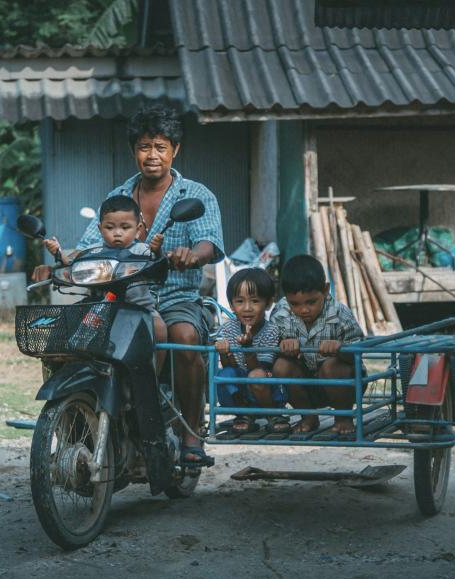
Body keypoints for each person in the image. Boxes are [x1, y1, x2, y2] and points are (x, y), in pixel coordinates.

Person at [70, 104, 223, 465]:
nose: (152, 156)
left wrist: (193, 255)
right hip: (123, 296)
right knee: (77, 338)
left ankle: (191, 434)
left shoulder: (196, 194)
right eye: (144, 147)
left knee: (184, 336)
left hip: (176, 296)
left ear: (175, 150)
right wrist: (63, 260)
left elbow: (211, 243)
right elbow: (91, 241)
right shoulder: (120, 195)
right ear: (133, 151)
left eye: (160, 147)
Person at [42, 194, 168, 369]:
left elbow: (158, 262)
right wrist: (58, 253)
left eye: (125, 227)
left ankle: (153, 374)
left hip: (139, 309)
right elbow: (72, 263)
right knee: (66, 325)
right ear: (100, 229)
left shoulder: (143, 250)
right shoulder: (94, 251)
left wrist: (157, 250)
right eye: (110, 227)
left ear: (138, 229)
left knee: (159, 328)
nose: (117, 233)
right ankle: (65, 368)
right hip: (99, 308)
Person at [270, 255, 364, 435]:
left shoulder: (340, 313)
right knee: (281, 366)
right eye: (295, 304)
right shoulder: (281, 313)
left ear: (326, 290)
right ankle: (308, 416)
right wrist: (282, 347)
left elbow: (358, 353)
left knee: (330, 366)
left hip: (343, 386)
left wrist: (340, 349)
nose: (304, 310)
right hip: (305, 387)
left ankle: (343, 417)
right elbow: (268, 350)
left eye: (311, 302)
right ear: (286, 298)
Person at [211, 268, 286, 434]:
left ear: (268, 303)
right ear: (231, 304)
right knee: (224, 374)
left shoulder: (271, 330)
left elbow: (259, 369)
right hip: (242, 393)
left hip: (265, 393)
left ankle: (273, 415)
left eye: (255, 301)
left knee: (256, 376)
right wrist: (224, 353)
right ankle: (244, 413)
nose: (247, 308)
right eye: (239, 301)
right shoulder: (228, 328)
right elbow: (230, 366)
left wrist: (248, 348)